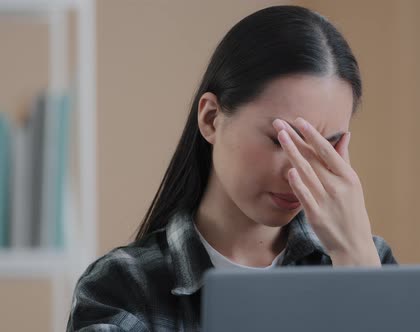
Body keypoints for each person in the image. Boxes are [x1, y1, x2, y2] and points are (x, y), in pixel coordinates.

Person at [67, 5, 397, 331]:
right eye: (282, 140)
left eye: (327, 147)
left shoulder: (370, 261)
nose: (299, 173)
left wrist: (356, 267)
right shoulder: (124, 286)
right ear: (211, 118)